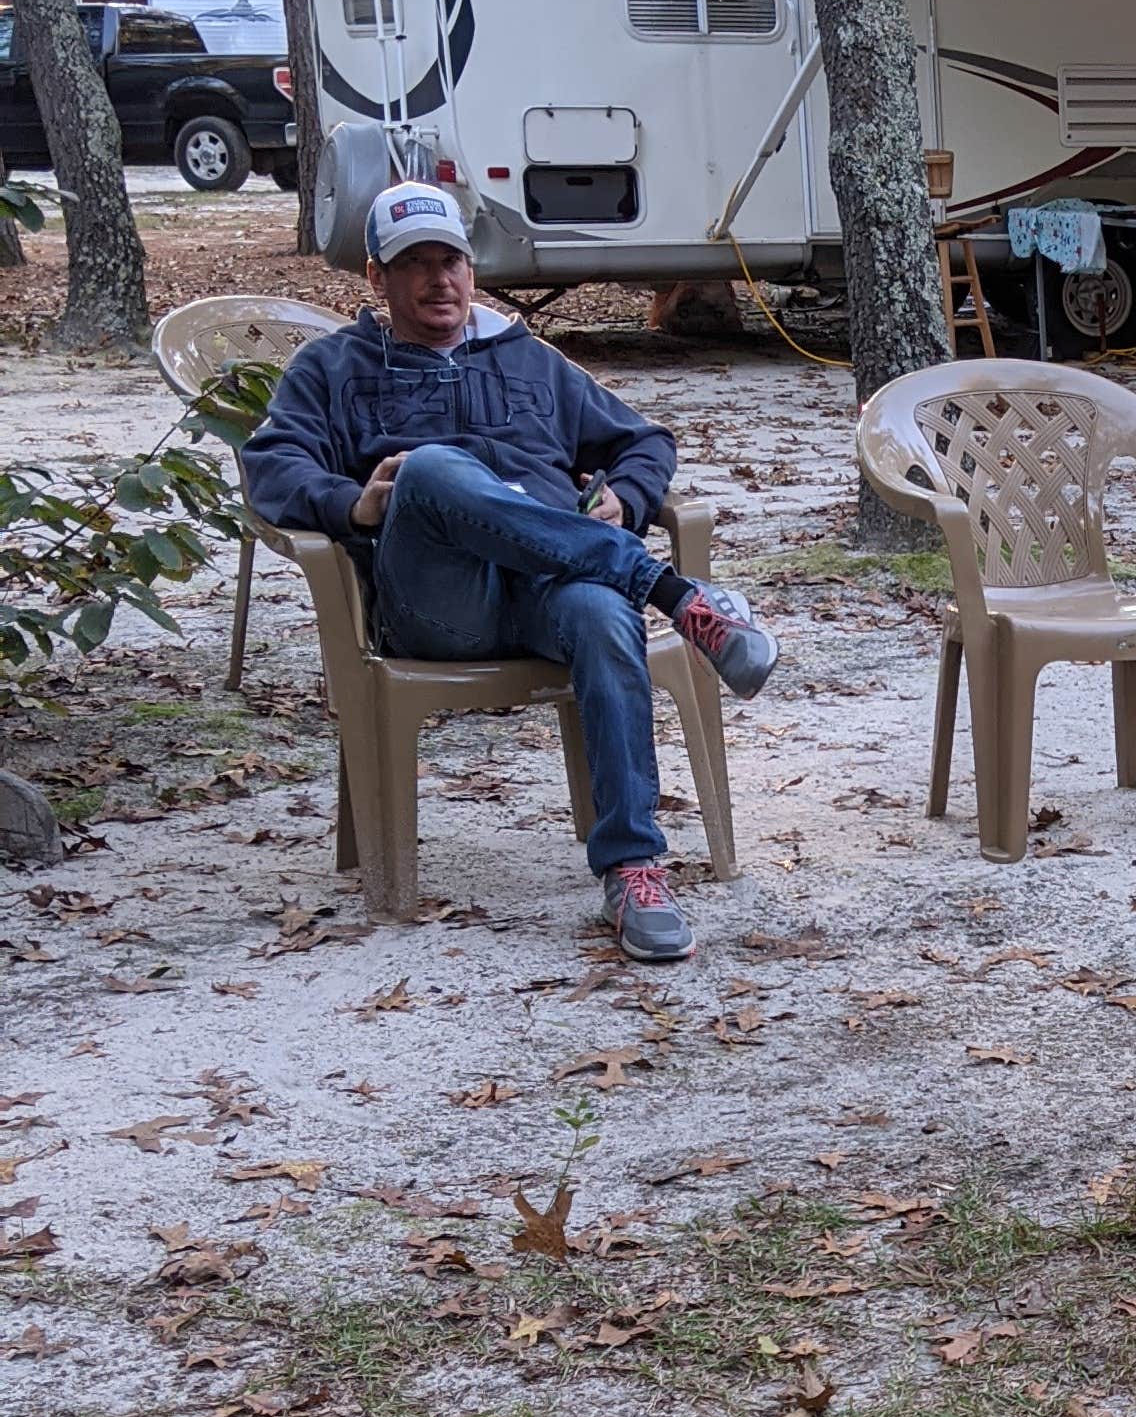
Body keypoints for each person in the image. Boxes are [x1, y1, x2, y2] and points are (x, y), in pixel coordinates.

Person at [242, 181, 779, 960]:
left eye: (451, 260)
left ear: (472, 266)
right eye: (415, 264)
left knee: (601, 614)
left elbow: (644, 441)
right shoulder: (332, 367)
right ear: (376, 278)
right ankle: (673, 594)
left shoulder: (529, 360)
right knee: (429, 470)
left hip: (551, 594)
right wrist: (353, 505)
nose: (439, 281)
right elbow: (270, 469)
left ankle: (632, 867)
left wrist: (626, 500)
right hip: (439, 607)